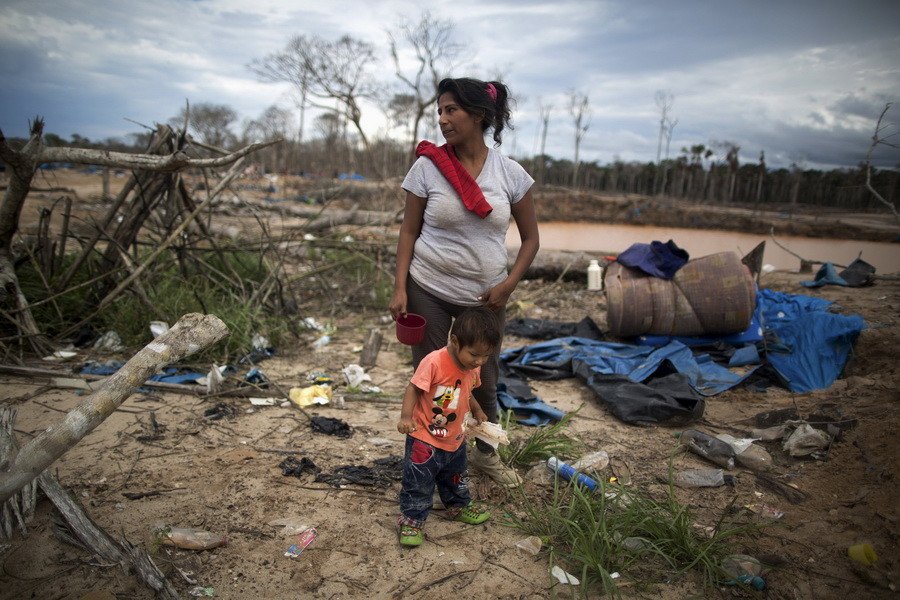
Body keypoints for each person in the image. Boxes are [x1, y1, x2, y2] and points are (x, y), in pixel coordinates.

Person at [389, 77, 540, 488]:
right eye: (439, 111)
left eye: (451, 110)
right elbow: (408, 231)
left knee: (483, 381)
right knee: (435, 381)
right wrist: (400, 286)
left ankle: (485, 455)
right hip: (428, 289)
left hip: (486, 298)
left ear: (478, 115)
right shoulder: (428, 167)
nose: (442, 119)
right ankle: (430, 462)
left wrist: (508, 286)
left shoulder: (511, 174)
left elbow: (531, 240)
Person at [396, 307, 500, 547]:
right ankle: (412, 520)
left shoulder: (472, 366)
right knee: (418, 480)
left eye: (486, 356)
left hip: (454, 437)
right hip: (425, 436)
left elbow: (467, 391)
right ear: (455, 341)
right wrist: (406, 417)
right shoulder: (434, 362)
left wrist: (477, 409)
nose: (480, 361)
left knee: (455, 475)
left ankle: (458, 506)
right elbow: (414, 388)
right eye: (474, 354)